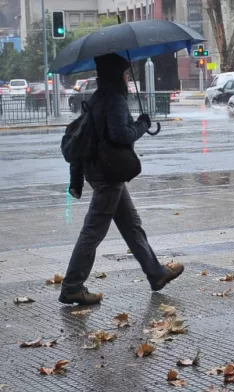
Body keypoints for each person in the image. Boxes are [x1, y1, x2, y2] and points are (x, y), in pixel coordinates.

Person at [59, 53, 184, 306]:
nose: (127, 77)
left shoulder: (98, 97)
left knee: (130, 224)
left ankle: (156, 273)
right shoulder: (114, 99)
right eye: (125, 73)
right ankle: (72, 286)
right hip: (108, 175)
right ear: (118, 75)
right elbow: (121, 135)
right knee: (92, 232)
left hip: (100, 171)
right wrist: (142, 124)